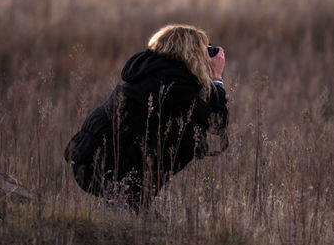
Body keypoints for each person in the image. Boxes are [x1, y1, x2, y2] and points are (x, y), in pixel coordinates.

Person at [64, 24, 229, 212]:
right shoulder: (173, 83)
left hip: (86, 162)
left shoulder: (150, 72)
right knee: (194, 138)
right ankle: (135, 199)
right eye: (203, 51)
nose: (207, 56)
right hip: (101, 168)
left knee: (178, 133)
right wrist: (216, 76)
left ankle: (129, 198)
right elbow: (217, 122)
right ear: (191, 55)